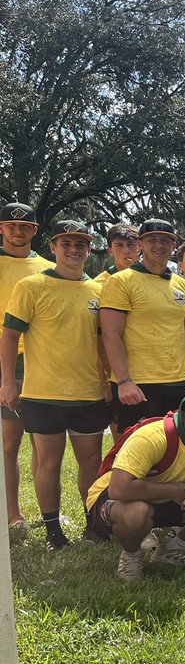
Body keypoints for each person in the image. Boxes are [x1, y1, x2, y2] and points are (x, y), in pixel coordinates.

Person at [1, 220, 107, 549]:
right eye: (66, 244)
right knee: (49, 462)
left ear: (89, 250)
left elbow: (104, 342)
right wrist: (7, 382)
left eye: (80, 245)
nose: (73, 250)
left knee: (91, 461)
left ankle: (93, 525)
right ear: (53, 248)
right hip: (43, 393)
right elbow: (10, 336)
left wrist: (106, 381)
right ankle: (53, 532)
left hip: (88, 392)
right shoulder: (32, 286)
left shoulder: (99, 291)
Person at [85, 389, 185, 581]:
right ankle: (131, 555)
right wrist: (172, 490)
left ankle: (172, 549)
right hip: (114, 498)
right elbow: (118, 489)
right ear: (183, 414)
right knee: (137, 512)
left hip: (172, 496)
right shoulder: (153, 437)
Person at [100, 218, 185, 431]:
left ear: (174, 247)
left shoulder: (183, 286)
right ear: (140, 245)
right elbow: (110, 334)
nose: (159, 245)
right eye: (152, 239)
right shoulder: (121, 281)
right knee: (137, 458)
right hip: (138, 386)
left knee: (177, 455)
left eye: (165, 240)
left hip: (179, 383)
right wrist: (124, 382)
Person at [0, 201, 53, 528]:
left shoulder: (48, 268)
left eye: (24, 227)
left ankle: (45, 512)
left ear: (35, 231)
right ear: (1, 229)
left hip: (39, 361)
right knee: (8, 443)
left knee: (42, 440)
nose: (17, 231)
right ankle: (12, 514)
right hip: (6, 362)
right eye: (11, 225)